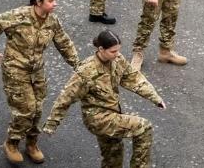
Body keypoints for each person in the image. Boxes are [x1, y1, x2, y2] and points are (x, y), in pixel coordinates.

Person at [0, 0, 79, 164]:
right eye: (51, 0)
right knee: (26, 109)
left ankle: (32, 143)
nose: (55, 4)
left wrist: (78, 66)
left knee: (38, 109)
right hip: (15, 69)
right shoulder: (19, 16)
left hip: (37, 71)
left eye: (55, 0)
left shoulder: (52, 21)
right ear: (38, 2)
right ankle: (12, 142)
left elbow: (64, 43)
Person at [42, 31, 166, 168]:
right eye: (113, 51)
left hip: (113, 112)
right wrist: (52, 124)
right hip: (98, 118)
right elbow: (66, 98)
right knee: (143, 127)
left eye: (119, 50)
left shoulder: (117, 60)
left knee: (113, 156)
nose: (118, 54)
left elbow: (133, 78)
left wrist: (155, 98)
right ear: (101, 49)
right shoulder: (86, 71)